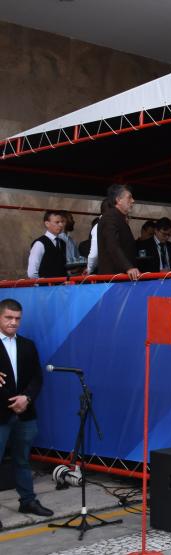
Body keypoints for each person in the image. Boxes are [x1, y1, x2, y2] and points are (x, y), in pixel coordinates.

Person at [0, 299, 54, 528]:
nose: (13, 322)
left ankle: (28, 501)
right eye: (8, 318)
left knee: (23, 460)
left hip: (25, 414)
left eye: (17, 318)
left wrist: (27, 398)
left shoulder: (27, 345)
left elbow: (36, 378)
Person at [97, 183, 140, 280]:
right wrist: (128, 267)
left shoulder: (119, 218)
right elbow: (112, 245)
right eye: (129, 198)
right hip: (113, 278)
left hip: (122, 277)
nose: (133, 201)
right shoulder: (110, 218)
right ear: (118, 200)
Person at [26, 210, 67, 279]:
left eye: (62, 222)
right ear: (47, 224)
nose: (61, 225)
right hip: (46, 287)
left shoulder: (62, 243)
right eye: (57, 222)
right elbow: (32, 273)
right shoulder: (39, 243)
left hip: (61, 286)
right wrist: (42, 285)